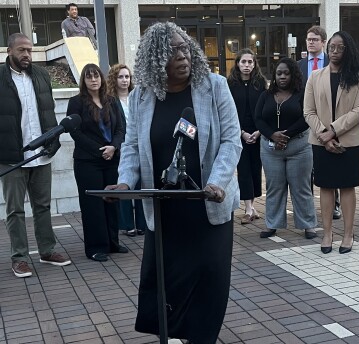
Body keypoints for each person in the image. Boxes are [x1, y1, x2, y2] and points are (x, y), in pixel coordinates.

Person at [106, 22, 241, 342]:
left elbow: (231, 140)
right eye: (173, 50)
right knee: (169, 285)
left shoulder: (215, 86)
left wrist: (219, 182)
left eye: (185, 47)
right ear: (155, 59)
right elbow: (133, 147)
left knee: (210, 283)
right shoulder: (141, 96)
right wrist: (125, 183)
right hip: (165, 211)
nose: (183, 55)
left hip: (208, 205)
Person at [0, 33, 71, 278]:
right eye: (21, 50)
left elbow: (48, 109)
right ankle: (19, 257)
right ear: (9, 51)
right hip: (12, 156)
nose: (27, 55)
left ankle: (47, 250)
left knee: (43, 206)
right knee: (15, 210)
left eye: (29, 50)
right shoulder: (0, 77)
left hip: (42, 153)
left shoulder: (41, 75)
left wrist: (53, 140)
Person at [304, 31, 359, 254]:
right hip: (321, 141)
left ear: (347, 50)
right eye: (332, 47)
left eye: (340, 47)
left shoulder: (358, 76)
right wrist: (324, 134)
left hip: (348, 141)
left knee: (347, 186)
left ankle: (348, 234)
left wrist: (333, 131)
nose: (334, 51)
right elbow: (308, 111)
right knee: (326, 186)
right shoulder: (315, 77)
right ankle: (328, 232)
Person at [67, 63, 128, 262]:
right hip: (88, 161)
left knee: (111, 201)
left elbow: (121, 128)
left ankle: (112, 242)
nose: (93, 80)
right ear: (83, 81)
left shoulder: (111, 100)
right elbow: (74, 132)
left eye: (96, 76)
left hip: (111, 158)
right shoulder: (76, 102)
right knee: (92, 205)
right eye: (89, 77)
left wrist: (113, 147)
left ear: (101, 79)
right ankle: (95, 247)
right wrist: (98, 151)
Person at [255, 57, 318, 239]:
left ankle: (308, 225)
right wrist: (273, 135)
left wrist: (286, 134)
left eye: (286, 73)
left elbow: (307, 117)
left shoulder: (302, 94)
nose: (282, 76)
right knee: (274, 186)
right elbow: (258, 118)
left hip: (298, 147)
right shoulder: (266, 95)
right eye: (279, 73)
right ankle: (272, 224)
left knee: (301, 187)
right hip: (270, 149)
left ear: (293, 75)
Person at [298, 25, 342, 220]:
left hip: (330, 124)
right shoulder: (299, 65)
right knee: (308, 168)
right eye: (308, 39)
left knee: (332, 167)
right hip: (305, 121)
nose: (311, 42)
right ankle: (309, 208)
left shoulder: (332, 62)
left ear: (323, 42)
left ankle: (336, 204)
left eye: (315, 39)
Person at [107, 63, 148, 237]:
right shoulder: (110, 100)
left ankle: (142, 224)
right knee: (124, 185)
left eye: (127, 77)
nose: (125, 80)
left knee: (140, 187)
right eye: (121, 77)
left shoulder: (137, 96)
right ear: (114, 79)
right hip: (121, 148)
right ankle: (127, 224)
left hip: (139, 146)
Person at [227, 49, 266, 225]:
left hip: (258, 133)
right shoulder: (231, 84)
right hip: (238, 133)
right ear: (237, 64)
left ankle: (252, 205)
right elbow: (229, 112)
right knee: (243, 170)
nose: (247, 66)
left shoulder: (260, 83)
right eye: (243, 62)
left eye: (250, 62)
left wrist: (258, 132)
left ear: (254, 64)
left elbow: (265, 109)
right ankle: (248, 208)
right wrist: (242, 133)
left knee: (255, 169)